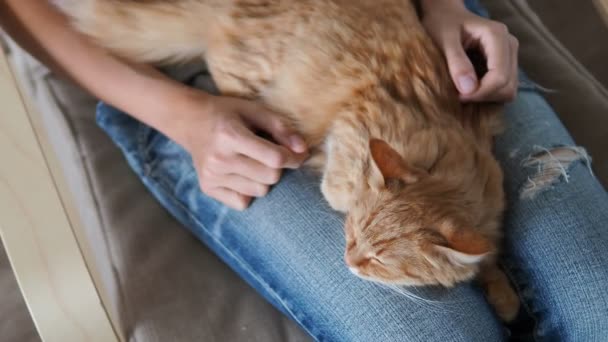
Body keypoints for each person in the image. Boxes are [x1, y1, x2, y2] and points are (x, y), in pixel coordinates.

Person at [2, 0, 607, 341]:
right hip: (200, 65)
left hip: (397, 32)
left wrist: (443, 6)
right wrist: (182, 117)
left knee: (599, 299)